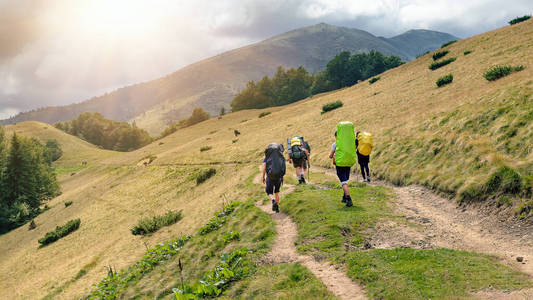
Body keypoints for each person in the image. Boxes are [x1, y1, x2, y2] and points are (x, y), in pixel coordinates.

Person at [328, 122, 357, 207]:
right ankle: (344, 197)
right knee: (346, 180)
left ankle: (348, 198)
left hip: (340, 164)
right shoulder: (350, 143)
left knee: (343, 182)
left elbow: (330, 156)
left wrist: (332, 155)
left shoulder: (335, 144)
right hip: (348, 162)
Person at [262, 143, 286, 213]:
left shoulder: (267, 157)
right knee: (277, 192)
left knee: (269, 192)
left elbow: (264, 168)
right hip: (279, 177)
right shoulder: (280, 156)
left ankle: (273, 200)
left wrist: (263, 177)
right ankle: (277, 209)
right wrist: (282, 177)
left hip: (270, 176)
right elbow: (283, 167)